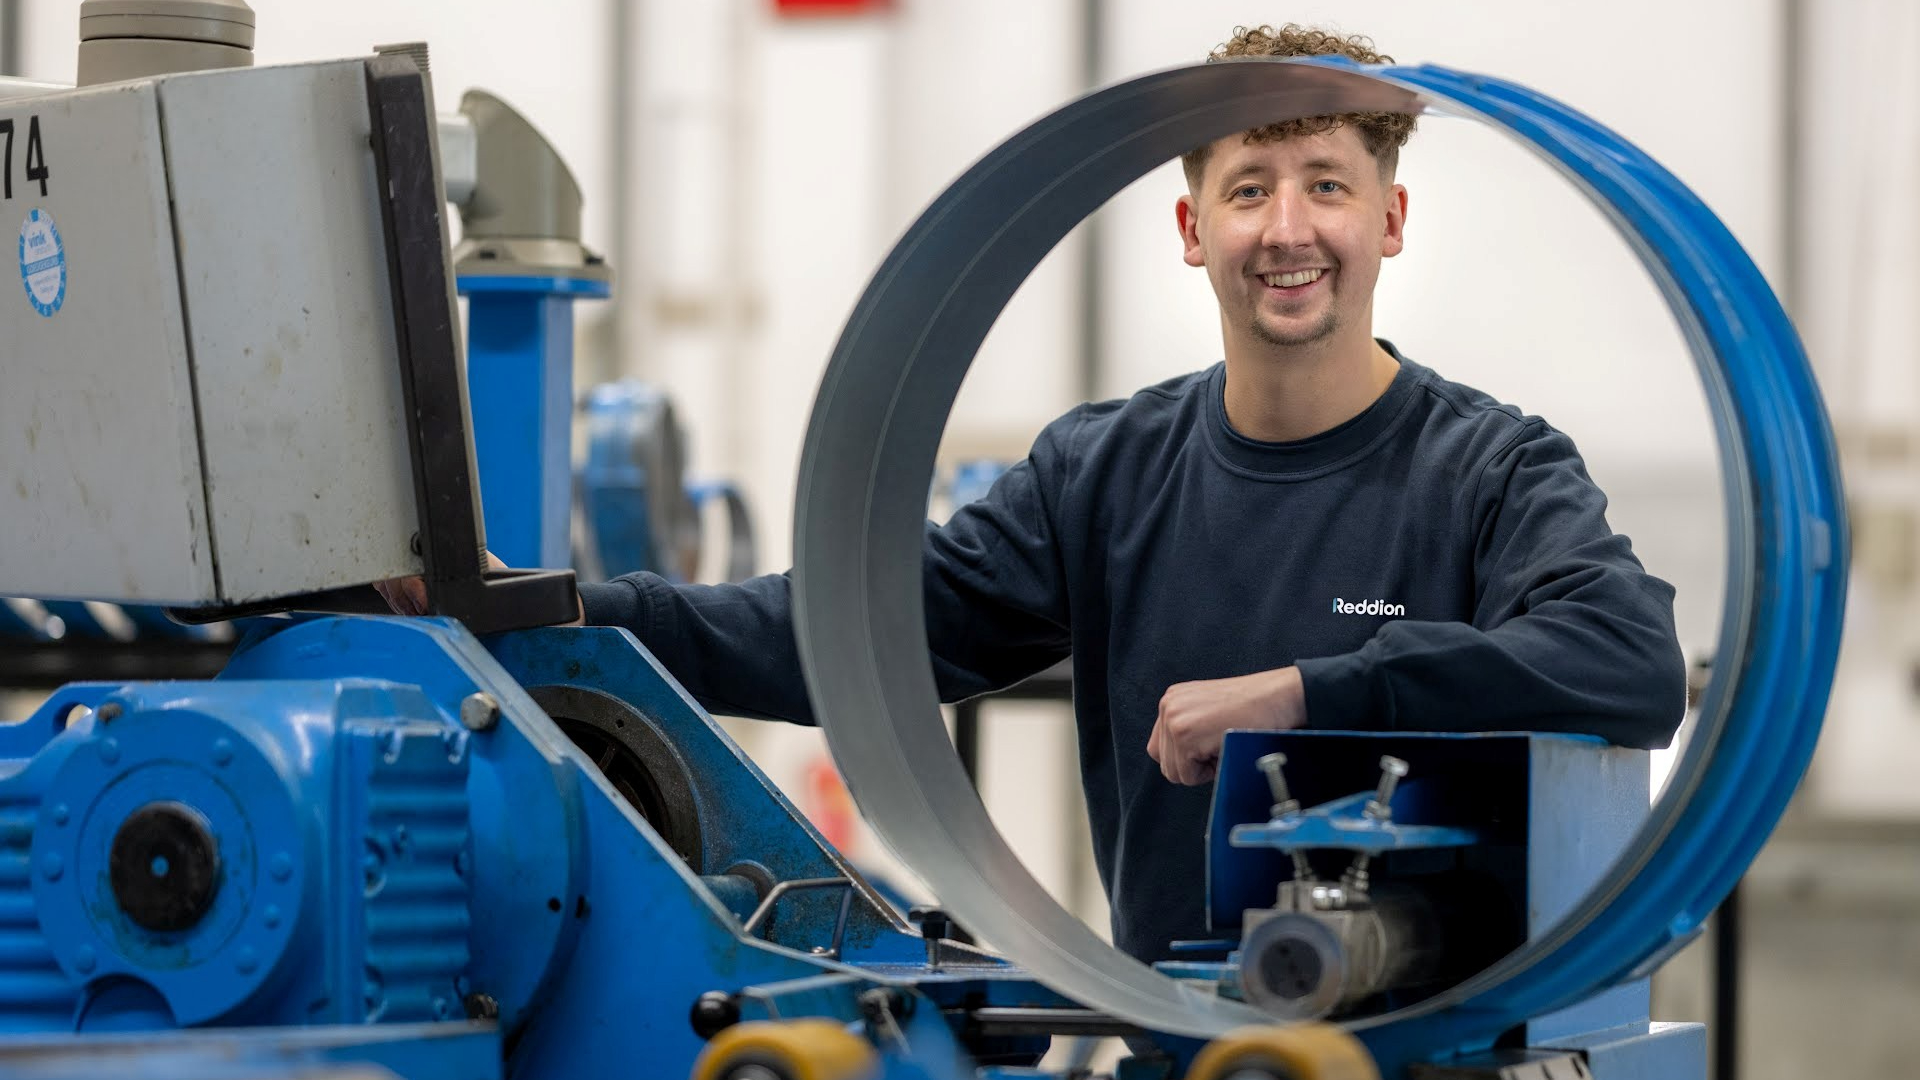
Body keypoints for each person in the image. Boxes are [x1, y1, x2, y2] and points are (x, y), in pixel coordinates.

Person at [381, 24, 1687, 965]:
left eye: (1328, 187)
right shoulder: (1104, 474)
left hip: (1431, 1050)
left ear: (1390, 220)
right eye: (1248, 189)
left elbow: (1627, 663)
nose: (1288, 229)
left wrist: (1309, 693)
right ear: (1193, 231)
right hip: (1183, 1047)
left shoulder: (1494, 469)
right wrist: (558, 613)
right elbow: (849, 637)